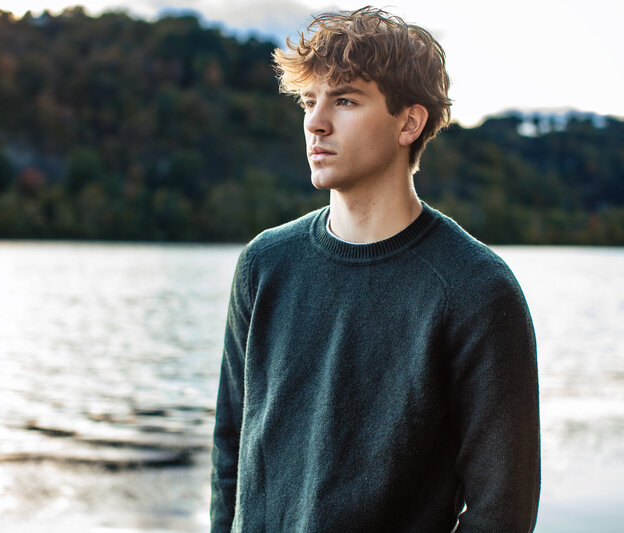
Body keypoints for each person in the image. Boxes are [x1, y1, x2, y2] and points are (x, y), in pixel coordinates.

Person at [211, 6, 540, 532]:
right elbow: (231, 452)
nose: (315, 122)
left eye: (344, 100)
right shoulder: (263, 264)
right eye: (308, 100)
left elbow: (501, 512)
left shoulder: (477, 290)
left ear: (409, 122)